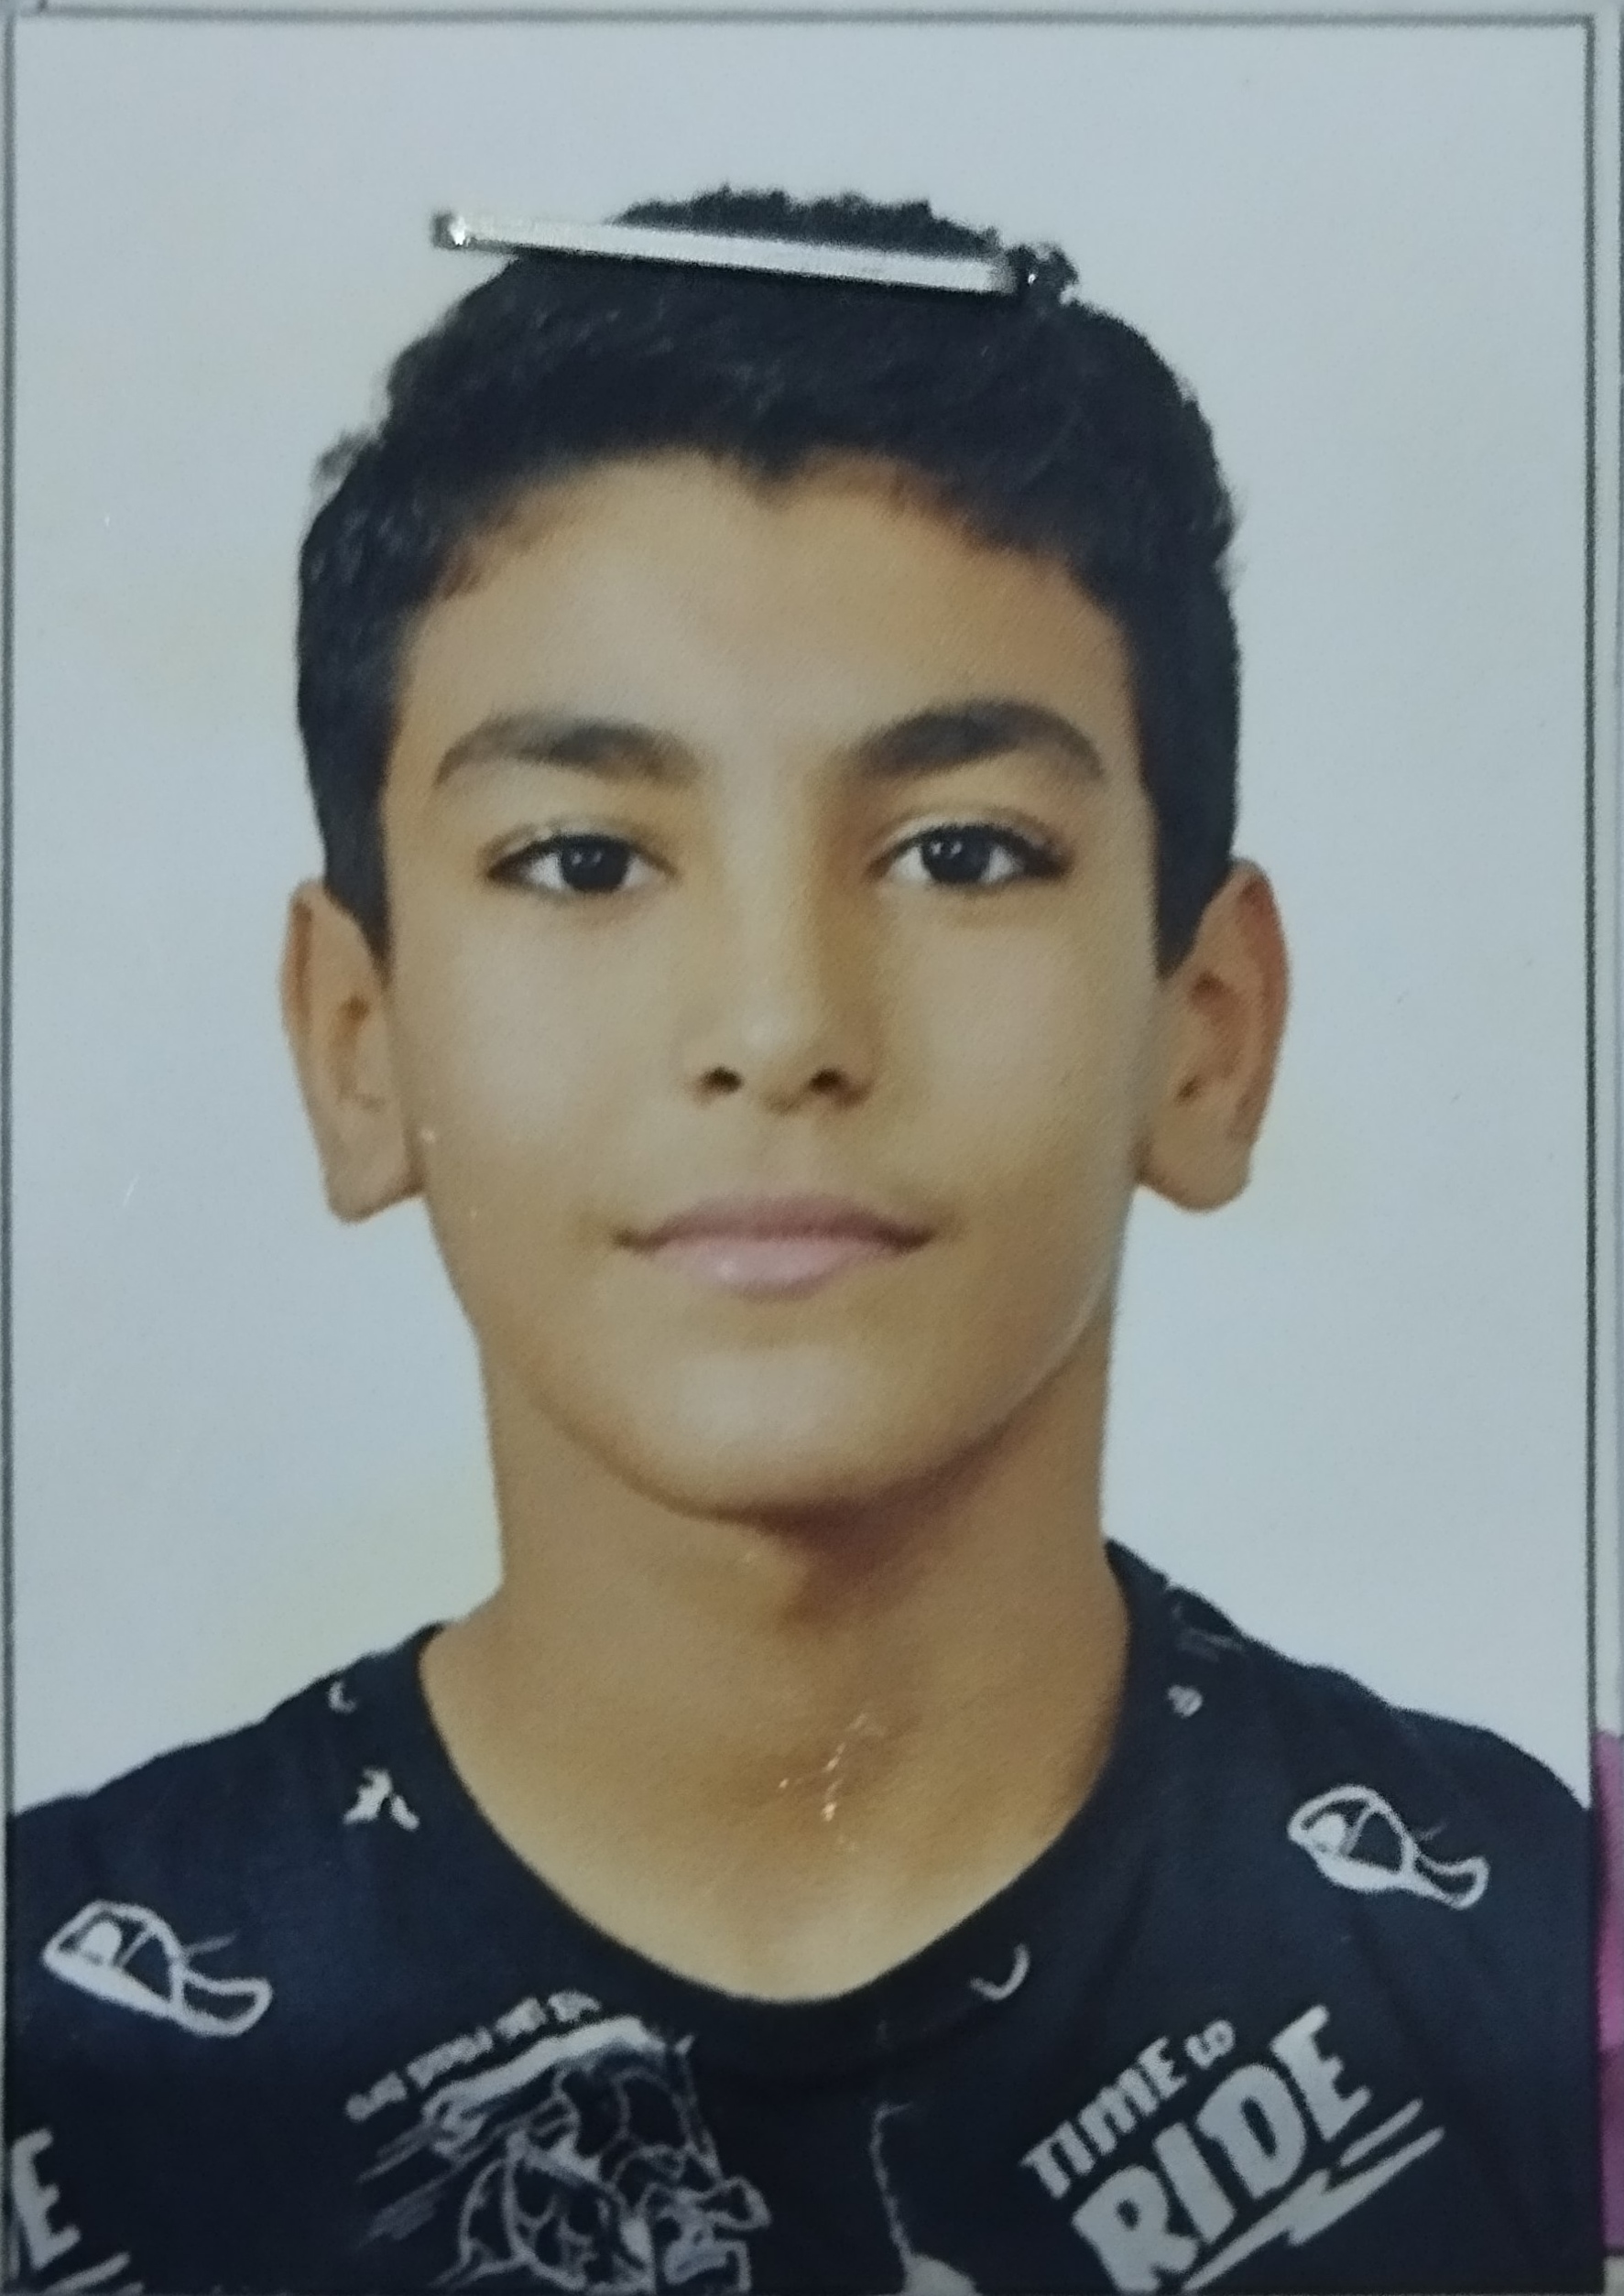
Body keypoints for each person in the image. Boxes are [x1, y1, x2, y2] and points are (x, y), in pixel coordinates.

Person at [5, 189, 1599, 2295]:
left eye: (961, 852)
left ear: (1205, 1033)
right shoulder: (56, 2066)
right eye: (582, 861)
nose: (776, 1026)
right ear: (356, 1043)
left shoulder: (1555, 1978)